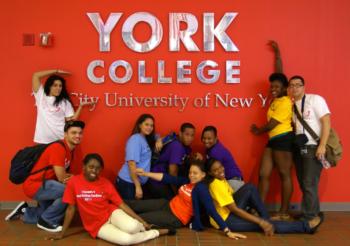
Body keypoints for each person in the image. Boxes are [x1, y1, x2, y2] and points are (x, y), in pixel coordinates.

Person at [46, 153, 171, 245]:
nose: (94, 171)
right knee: (126, 240)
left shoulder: (105, 183)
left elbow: (121, 204)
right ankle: (156, 233)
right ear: (83, 166)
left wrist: (141, 220)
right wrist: (62, 233)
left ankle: (144, 227)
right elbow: (70, 209)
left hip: (111, 213)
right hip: (97, 226)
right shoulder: (74, 182)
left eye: (98, 168)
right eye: (91, 167)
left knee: (133, 227)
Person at [127, 159, 247, 240]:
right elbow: (167, 178)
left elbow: (212, 211)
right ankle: (111, 208)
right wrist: (146, 174)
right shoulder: (188, 182)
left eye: (195, 173)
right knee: (134, 205)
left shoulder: (202, 190)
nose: (191, 175)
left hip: (176, 218)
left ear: (203, 175)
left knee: (141, 217)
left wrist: (227, 231)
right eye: (190, 172)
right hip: (167, 205)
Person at [206, 158, 323, 235]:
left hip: (229, 212)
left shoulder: (221, 179)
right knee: (262, 225)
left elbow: (233, 199)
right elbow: (235, 210)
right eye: (216, 170)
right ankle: (306, 226)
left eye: (220, 167)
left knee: (250, 188)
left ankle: (266, 217)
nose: (220, 171)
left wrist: (262, 219)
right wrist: (260, 222)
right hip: (226, 220)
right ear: (210, 173)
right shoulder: (215, 184)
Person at [5, 120, 85, 232]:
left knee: (45, 212)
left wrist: (72, 177)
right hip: (36, 184)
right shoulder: (59, 148)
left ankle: (25, 211)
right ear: (65, 134)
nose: (78, 135)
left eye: (80, 133)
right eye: (74, 132)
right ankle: (47, 221)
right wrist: (79, 179)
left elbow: (63, 176)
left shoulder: (70, 151)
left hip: (47, 184)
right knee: (69, 191)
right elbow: (62, 178)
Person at [251, 72, 294, 220]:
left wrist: (258, 131)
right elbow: (280, 71)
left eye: (277, 86)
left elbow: (272, 125)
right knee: (263, 174)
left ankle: (284, 212)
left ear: (284, 88)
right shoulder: (276, 100)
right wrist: (277, 55)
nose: (273, 89)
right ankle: (260, 208)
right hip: (273, 140)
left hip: (283, 139)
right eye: (272, 86)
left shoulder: (286, 102)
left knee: (284, 175)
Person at [289, 75, 331, 221]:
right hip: (301, 149)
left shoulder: (315, 99)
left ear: (304, 86)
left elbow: (326, 122)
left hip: (314, 147)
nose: (294, 88)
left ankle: (309, 216)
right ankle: (312, 212)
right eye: (292, 85)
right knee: (304, 182)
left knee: (309, 182)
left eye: (298, 85)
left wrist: (322, 145)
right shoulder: (293, 106)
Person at [32, 69, 92, 144]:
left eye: (60, 86)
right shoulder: (41, 96)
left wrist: (81, 106)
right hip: (42, 140)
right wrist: (56, 71)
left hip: (60, 138)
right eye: (55, 85)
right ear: (49, 86)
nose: (58, 88)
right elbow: (36, 76)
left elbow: (71, 120)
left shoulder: (64, 102)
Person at [116, 114, 162, 200]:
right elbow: (131, 164)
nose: (149, 127)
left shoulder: (145, 138)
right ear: (140, 125)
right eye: (146, 124)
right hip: (128, 182)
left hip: (137, 182)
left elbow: (157, 135)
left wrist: (159, 139)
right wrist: (138, 186)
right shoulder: (135, 139)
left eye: (151, 125)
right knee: (130, 211)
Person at [149, 123, 195, 199]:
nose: (190, 138)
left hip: (161, 178)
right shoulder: (177, 147)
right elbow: (172, 172)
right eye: (187, 134)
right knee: (169, 205)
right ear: (180, 133)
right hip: (158, 182)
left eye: (192, 135)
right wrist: (176, 192)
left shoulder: (177, 140)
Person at [201, 126, 244, 191]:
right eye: (204, 138)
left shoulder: (216, 151)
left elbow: (211, 173)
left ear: (216, 138)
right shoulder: (211, 148)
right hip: (229, 181)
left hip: (232, 182)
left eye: (209, 138)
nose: (206, 141)